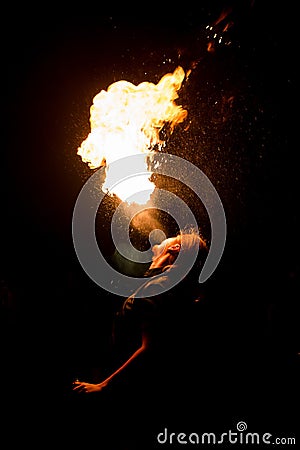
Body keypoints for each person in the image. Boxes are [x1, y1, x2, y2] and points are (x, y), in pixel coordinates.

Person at [70, 229, 209, 445]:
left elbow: (151, 349)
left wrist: (104, 386)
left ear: (175, 248)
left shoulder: (160, 287)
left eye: (165, 241)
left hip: (134, 404)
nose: (155, 247)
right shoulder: (170, 286)